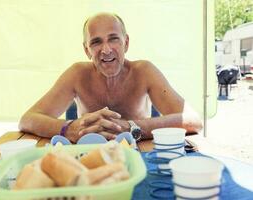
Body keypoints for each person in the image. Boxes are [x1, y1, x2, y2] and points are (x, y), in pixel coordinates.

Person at [19, 12, 202, 143]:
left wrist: (132, 127)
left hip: (139, 151)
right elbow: (27, 119)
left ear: (126, 43)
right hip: (90, 153)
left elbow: (193, 120)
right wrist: (70, 129)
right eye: (96, 42)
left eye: (113, 39)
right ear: (87, 50)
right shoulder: (77, 74)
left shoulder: (144, 71)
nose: (106, 50)